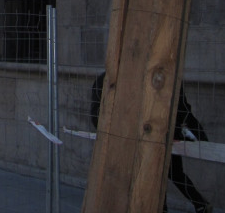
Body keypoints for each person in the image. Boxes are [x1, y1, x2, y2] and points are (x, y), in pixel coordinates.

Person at [90, 71, 212, 213]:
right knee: (158, 176)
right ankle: (195, 204)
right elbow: (96, 116)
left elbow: (183, 108)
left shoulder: (164, 74)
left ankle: (197, 204)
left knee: (171, 173)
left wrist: (191, 131)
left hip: (165, 136)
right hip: (129, 143)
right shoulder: (105, 80)